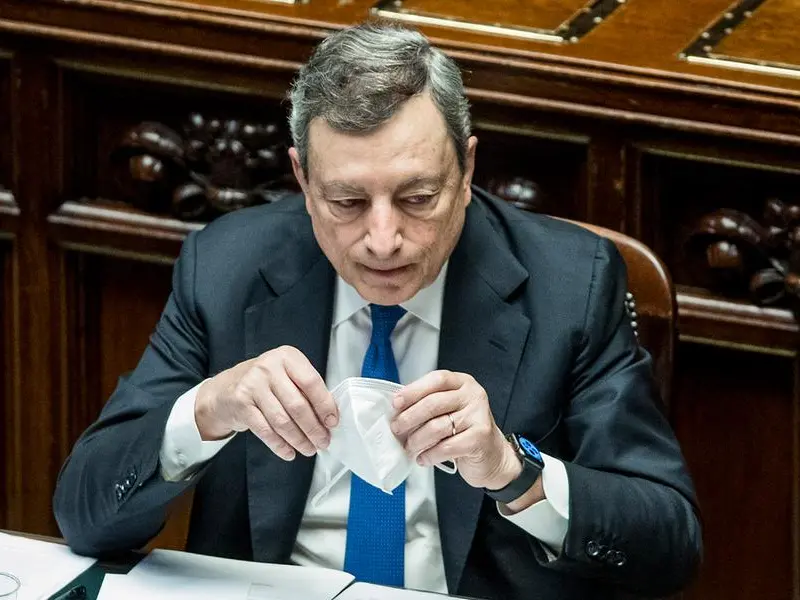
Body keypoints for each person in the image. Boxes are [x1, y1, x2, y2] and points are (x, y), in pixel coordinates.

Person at [53, 22, 701, 600]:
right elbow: (83, 515)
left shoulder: (571, 284)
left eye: (417, 198)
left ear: (466, 169)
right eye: (347, 202)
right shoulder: (226, 267)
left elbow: (669, 545)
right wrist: (205, 411)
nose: (384, 240)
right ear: (304, 180)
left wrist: (514, 471)